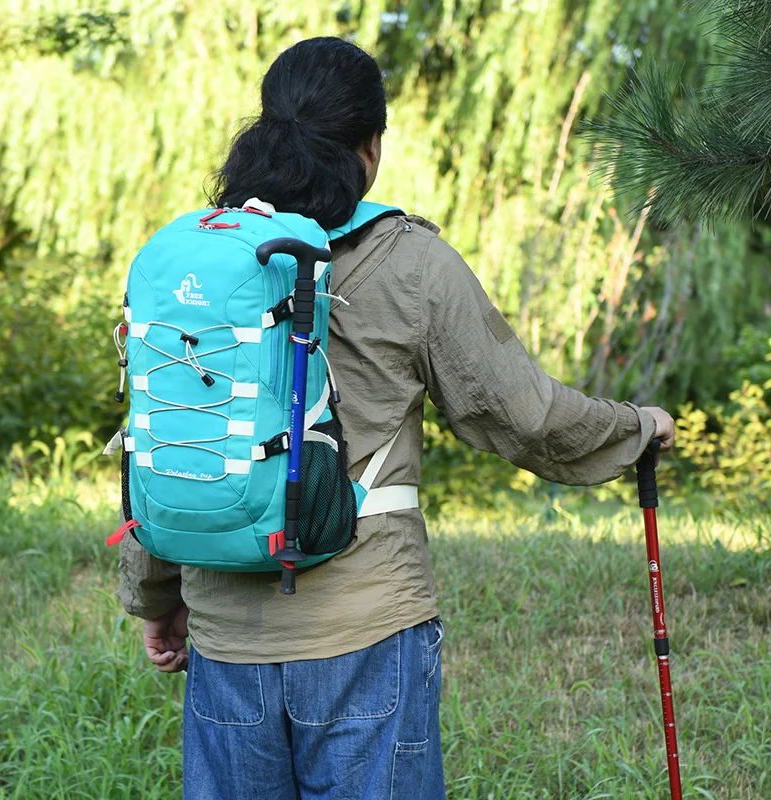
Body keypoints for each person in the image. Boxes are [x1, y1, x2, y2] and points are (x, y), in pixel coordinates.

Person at [117, 36, 675, 800]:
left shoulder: (200, 266)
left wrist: (157, 598)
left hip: (224, 638)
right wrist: (637, 429)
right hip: (365, 633)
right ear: (369, 149)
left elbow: (170, 436)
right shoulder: (412, 262)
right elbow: (527, 415)